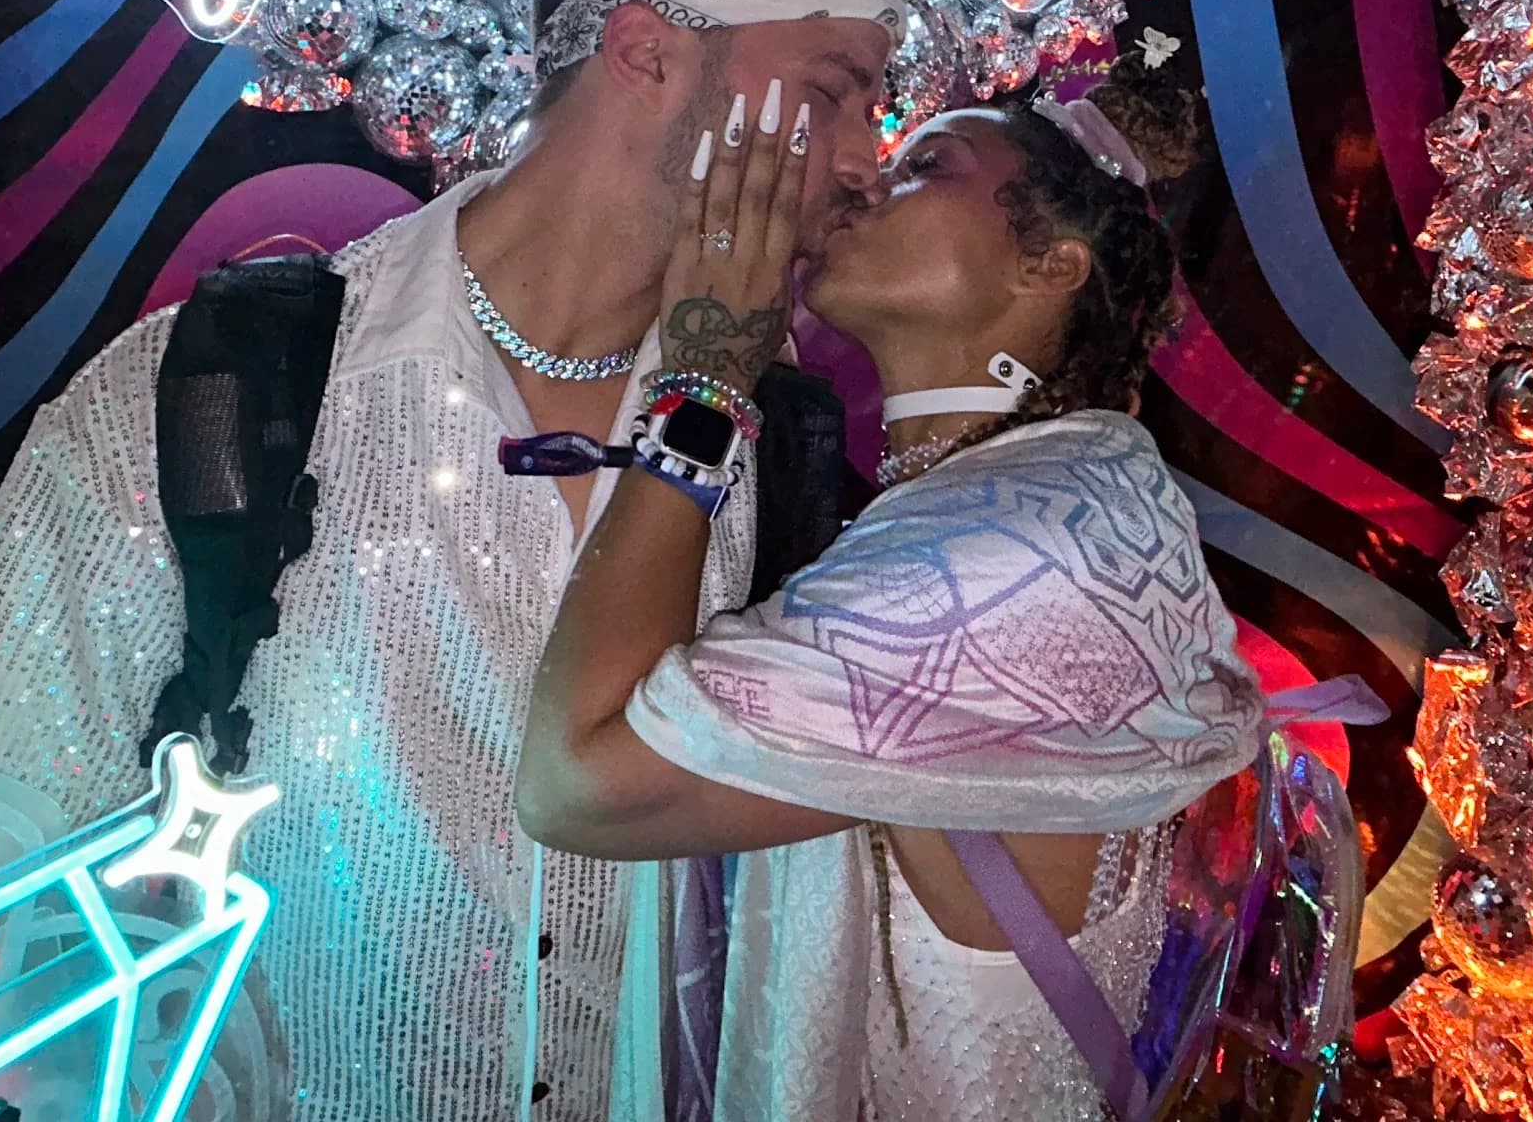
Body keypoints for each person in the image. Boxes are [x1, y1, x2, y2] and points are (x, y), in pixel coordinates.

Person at [0, 0, 903, 1121]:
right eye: (833, 92)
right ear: (645, 50)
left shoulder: (778, 447)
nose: (866, 161)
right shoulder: (219, 386)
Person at [514, 63, 1268, 1120]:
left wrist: (704, 385)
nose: (866, 181)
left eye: (928, 164)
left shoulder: (1027, 553)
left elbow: (577, 783)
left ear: (1051, 262)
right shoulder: (1025, 506)